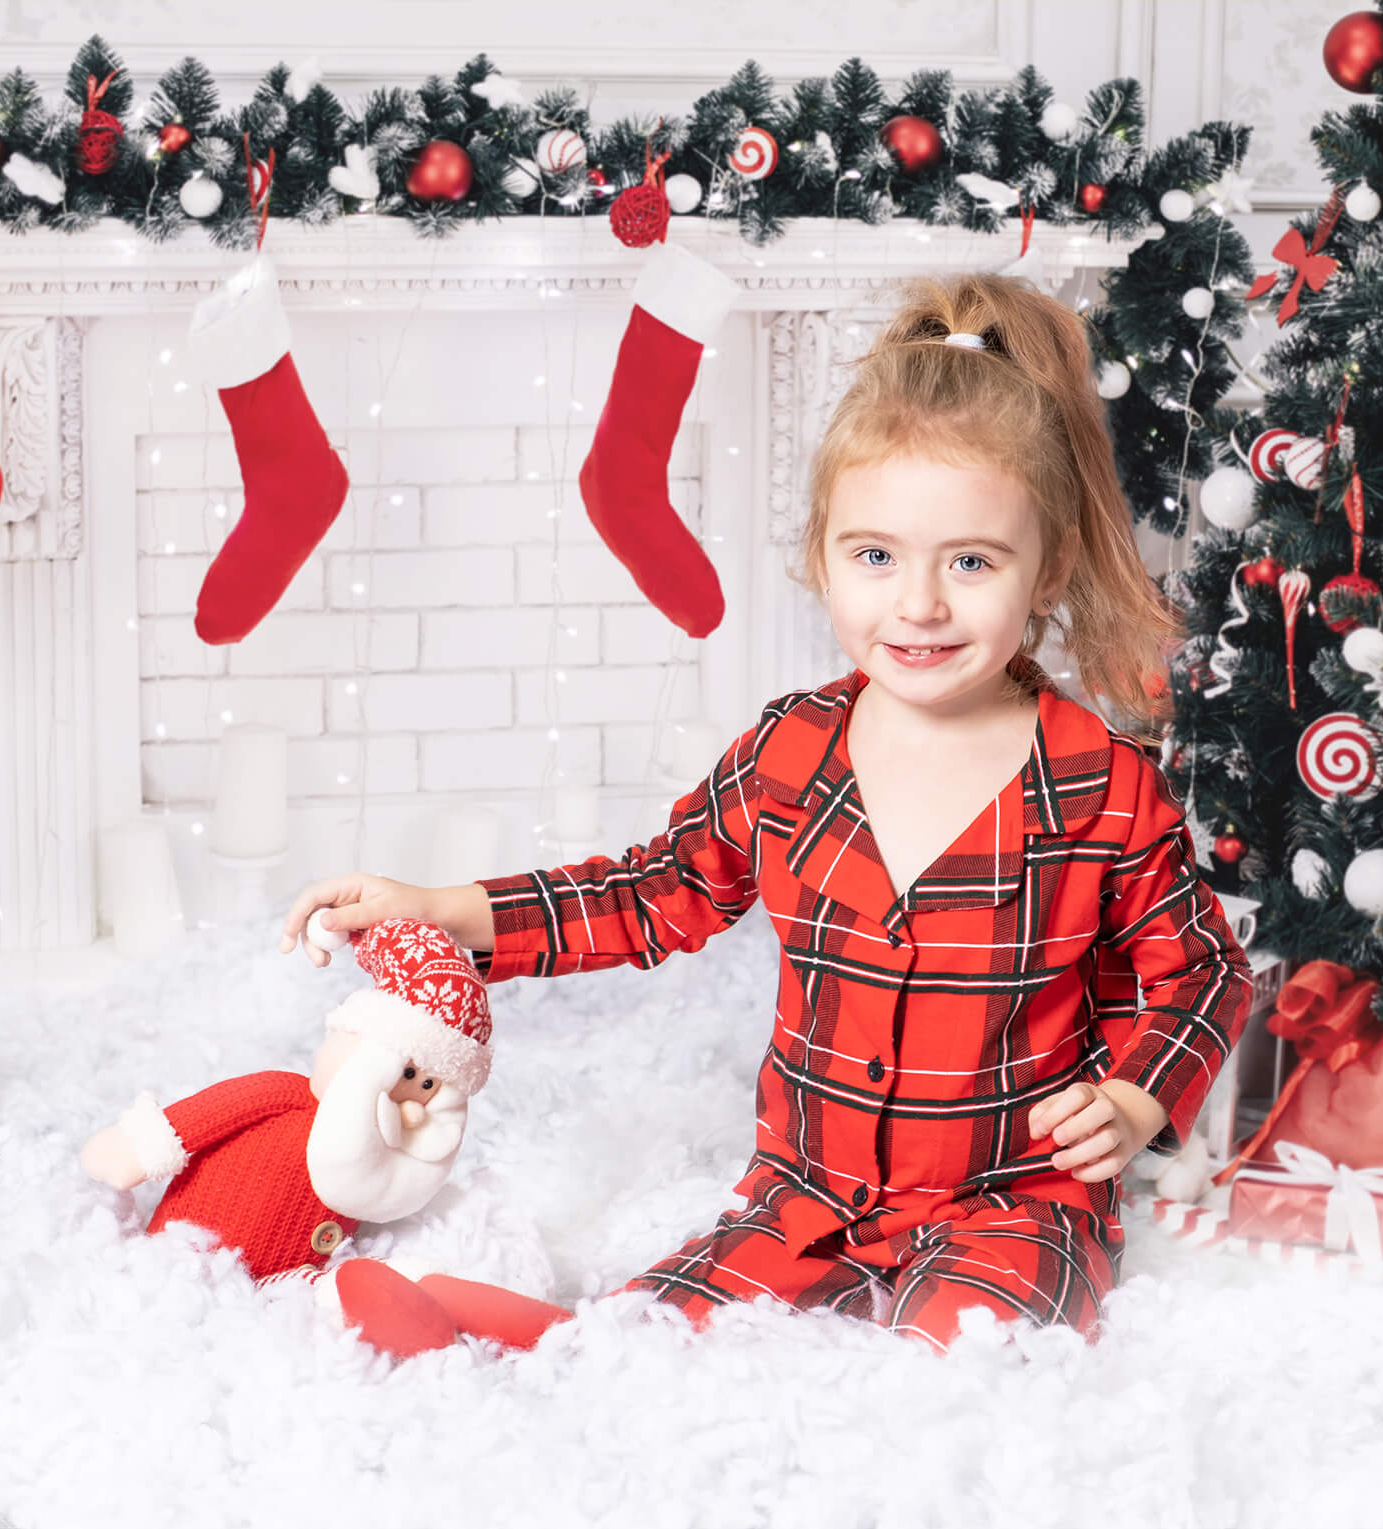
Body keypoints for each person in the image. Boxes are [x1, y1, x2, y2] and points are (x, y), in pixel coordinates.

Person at [281, 270, 1254, 1355]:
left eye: (969, 562)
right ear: (823, 558)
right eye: (874, 555)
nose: (918, 603)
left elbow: (1200, 970)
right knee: (654, 1335)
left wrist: (1132, 1097)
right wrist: (445, 905)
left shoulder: (1097, 776)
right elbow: (658, 889)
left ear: (1046, 569)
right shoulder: (790, 752)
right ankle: (515, 1343)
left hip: (1010, 1195)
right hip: (805, 1194)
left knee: (962, 1351)